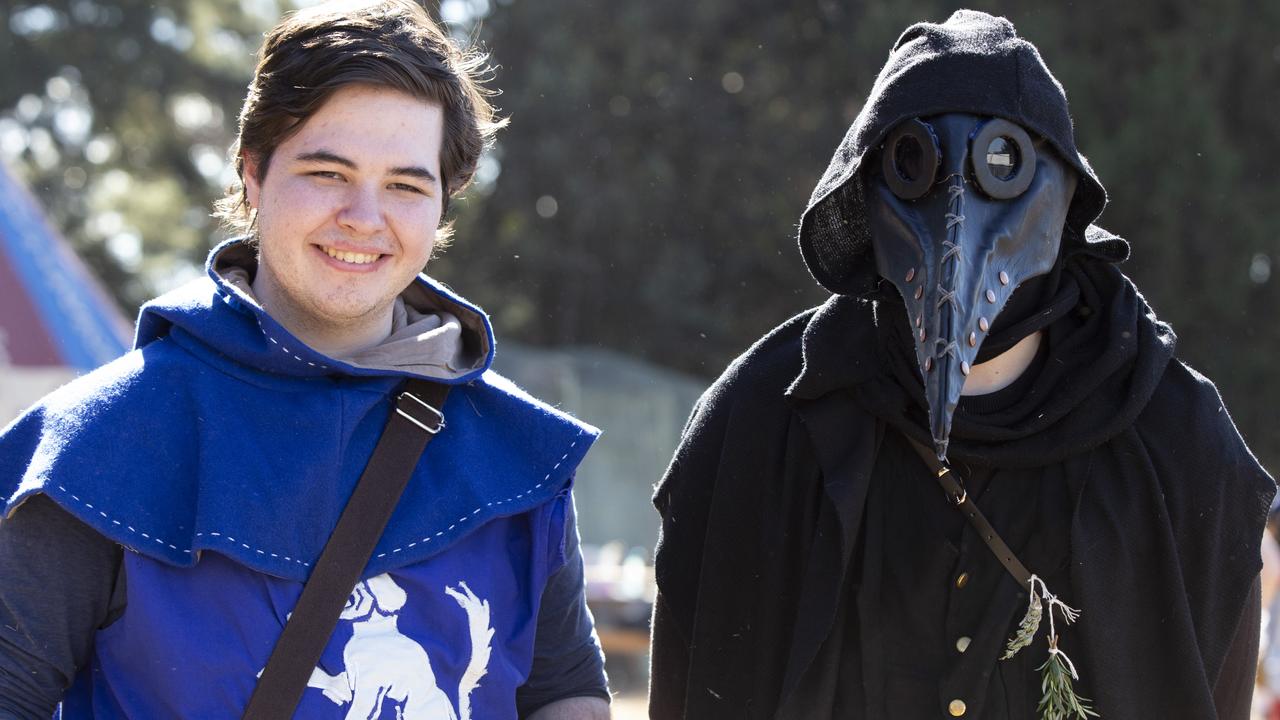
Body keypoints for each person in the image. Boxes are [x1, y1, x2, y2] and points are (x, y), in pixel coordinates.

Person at [649, 10, 1275, 720]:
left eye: (1000, 166)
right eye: (915, 166)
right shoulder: (758, 427)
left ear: (1059, 192)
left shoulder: (1180, 451)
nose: (956, 218)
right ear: (869, 186)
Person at [0, 1, 611, 718]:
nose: (363, 216)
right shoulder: (95, 451)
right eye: (328, 172)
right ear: (253, 173)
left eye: (406, 185)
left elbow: (563, 690)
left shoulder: (516, 456)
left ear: (444, 203)